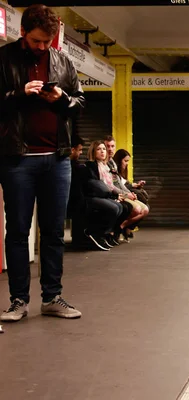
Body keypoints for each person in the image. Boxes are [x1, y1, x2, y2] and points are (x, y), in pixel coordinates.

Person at [0, 5, 84, 321]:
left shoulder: (63, 62)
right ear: (22, 32)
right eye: (37, 41)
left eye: (48, 42)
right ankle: (18, 301)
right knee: (18, 230)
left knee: (52, 231)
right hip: (17, 157)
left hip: (57, 159)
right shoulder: (4, 59)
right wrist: (19, 93)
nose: (42, 47)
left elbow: (79, 104)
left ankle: (52, 297)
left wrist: (61, 99)